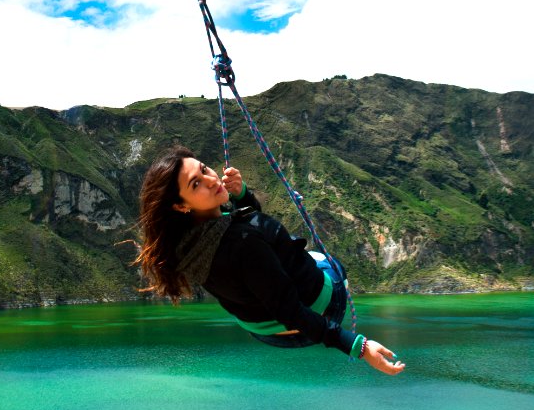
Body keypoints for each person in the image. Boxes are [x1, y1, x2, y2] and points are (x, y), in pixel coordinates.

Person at [136, 146, 406, 376]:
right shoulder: (243, 242)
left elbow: (247, 230)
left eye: (205, 169)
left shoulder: (186, 246)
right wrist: (357, 345)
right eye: (196, 184)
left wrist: (243, 196)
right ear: (181, 206)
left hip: (264, 331)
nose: (210, 179)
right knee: (329, 264)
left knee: (284, 255)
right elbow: (288, 310)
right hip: (310, 317)